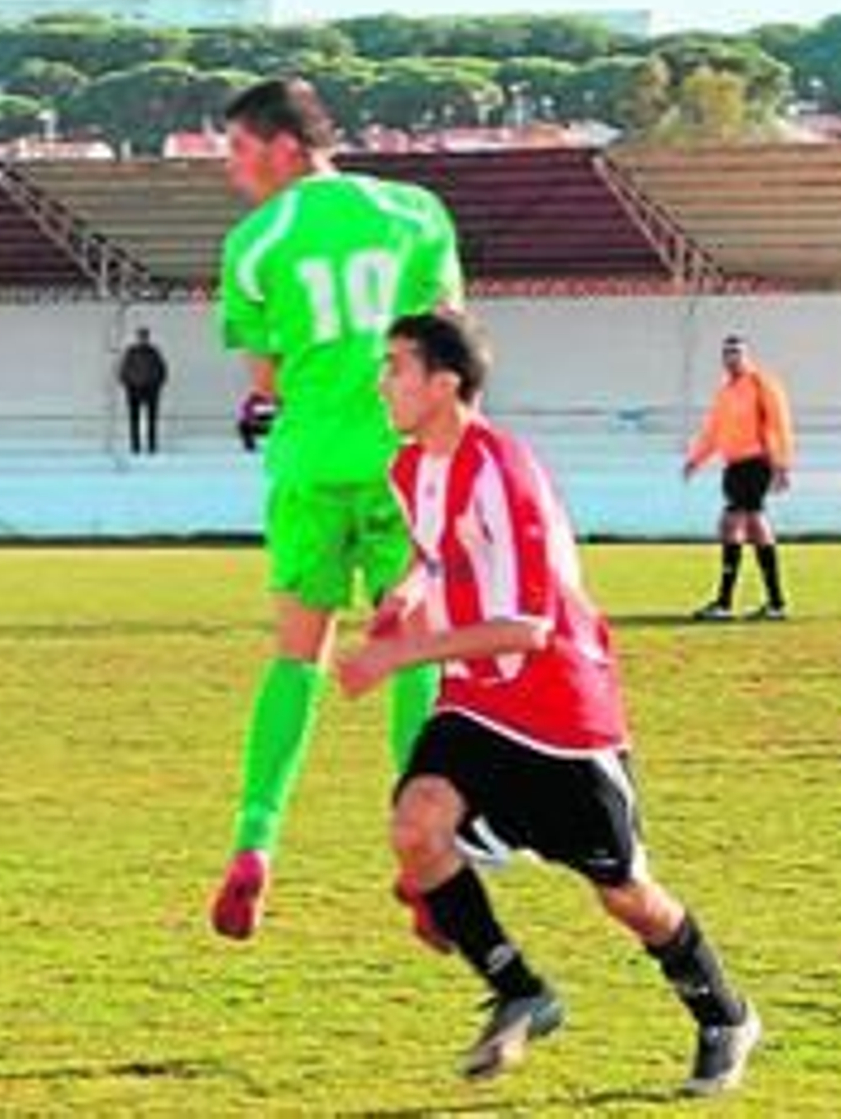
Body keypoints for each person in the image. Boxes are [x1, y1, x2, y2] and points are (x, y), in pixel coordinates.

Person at [338, 311, 760, 1095]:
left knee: (625, 895)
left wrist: (399, 652)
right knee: (416, 823)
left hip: (563, 711)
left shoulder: (504, 471)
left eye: (396, 367)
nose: (383, 383)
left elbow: (529, 627)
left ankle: (723, 1013)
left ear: (445, 383)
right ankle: (519, 990)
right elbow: (439, 556)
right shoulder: (409, 469)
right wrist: (404, 594)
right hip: (474, 698)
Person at [209, 78, 465, 941]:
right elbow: (448, 338)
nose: (233, 172)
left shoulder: (252, 245)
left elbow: (268, 377)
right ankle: (423, 856)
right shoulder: (416, 213)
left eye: (239, 151)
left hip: (309, 466)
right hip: (404, 464)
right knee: (411, 653)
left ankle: (255, 842)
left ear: (285, 147)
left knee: (296, 659)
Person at [683, 335, 795, 621]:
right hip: (733, 465)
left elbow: (780, 423)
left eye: (737, 353)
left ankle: (724, 602)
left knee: (732, 522)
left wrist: (782, 465)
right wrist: (696, 459)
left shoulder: (761, 383)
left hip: (757, 462)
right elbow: (713, 430)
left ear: (747, 356)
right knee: (754, 527)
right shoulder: (725, 392)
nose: (732, 358)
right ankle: (775, 603)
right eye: (728, 354)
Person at [118, 328, 169, 455]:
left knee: (152, 420)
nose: (142, 339)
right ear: (137, 338)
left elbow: (162, 370)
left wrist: (156, 385)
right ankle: (135, 447)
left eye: (144, 337)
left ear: (148, 338)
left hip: (151, 390)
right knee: (134, 420)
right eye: (141, 337)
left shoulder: (154, 352)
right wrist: (129, 385)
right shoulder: (131, 352)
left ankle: (152, 447)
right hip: (134, 390)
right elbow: (123, 371)